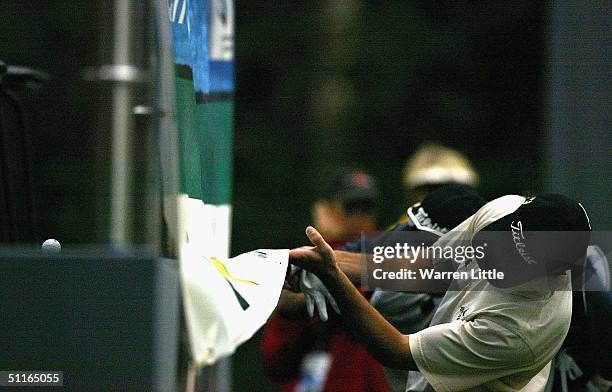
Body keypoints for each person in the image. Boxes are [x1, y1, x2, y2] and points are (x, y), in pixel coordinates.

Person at [290, 193, 591, 391]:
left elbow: (396, 349)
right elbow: (431, 269)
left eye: (513, 260)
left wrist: (333, 278)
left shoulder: (523, 329)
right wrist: (326, 260)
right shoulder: (501, 211)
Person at [261, 169, 390, 392]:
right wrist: (292, 312)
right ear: (324, 210)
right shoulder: (303, 266)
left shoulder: (390, 260)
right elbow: (275, 362)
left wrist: (334, 245)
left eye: (366, 207)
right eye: (350, 207)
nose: (359, 216)